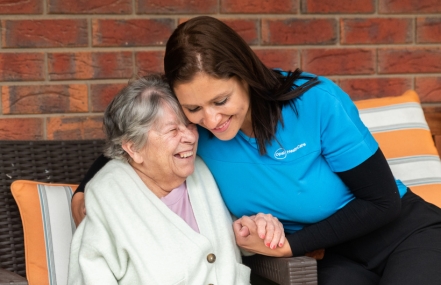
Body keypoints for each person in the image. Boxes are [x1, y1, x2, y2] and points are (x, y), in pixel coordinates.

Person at [72, 16, 441, 284]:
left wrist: (290, 245)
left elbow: (382, 202)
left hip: (402, 234)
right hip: (330, 258)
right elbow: (135, 139)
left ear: (244, 75)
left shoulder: (314, 102)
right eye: (193, 108)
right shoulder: (200, 135)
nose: (211, 119)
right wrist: (85, 187)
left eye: (220, 100)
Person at [68, 74, 267, 284]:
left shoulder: (205, 171)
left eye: (189, 125)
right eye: (173, 130)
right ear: (133, 147)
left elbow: (238, 235)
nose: (190, 137)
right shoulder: (110, 197)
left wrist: (257, 228)